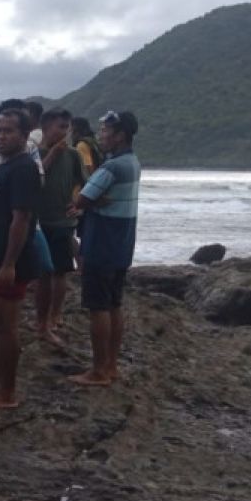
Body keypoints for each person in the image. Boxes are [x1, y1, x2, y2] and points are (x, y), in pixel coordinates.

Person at [0, 107, 43, 410]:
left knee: (6, 325)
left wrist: (8, 264)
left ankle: (7, 393)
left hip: (12, 261)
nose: (1, 136)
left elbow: (21, 220)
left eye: (8, 131)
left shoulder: (24, 169)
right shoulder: (5, 166)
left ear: (25, 135)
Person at [69, 111, 141, 387]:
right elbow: (95, 198)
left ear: (120, 135)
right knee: (114, 304)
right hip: (122, 244)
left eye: (105, 131)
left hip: (101, 243)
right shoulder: (132, 162)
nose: (100, 136)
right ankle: (111, 365)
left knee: (98, 307)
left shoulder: (111, 167)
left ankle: (98, 371)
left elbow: (82, 198)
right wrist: (96, 200)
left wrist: (88, 200)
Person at [34, 108, 86, 345]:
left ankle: (55, 315)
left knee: (60, 270)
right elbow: (34, 179)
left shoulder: (74, 155)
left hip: (63, 221)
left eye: (67, 128)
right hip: (38, 221)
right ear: (45, 128)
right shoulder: (35, 152)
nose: (64, 133)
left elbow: (85, 184)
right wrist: (52, 154)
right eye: (60, 127)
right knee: (41, 272)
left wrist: (79, 206)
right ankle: (41, 319)